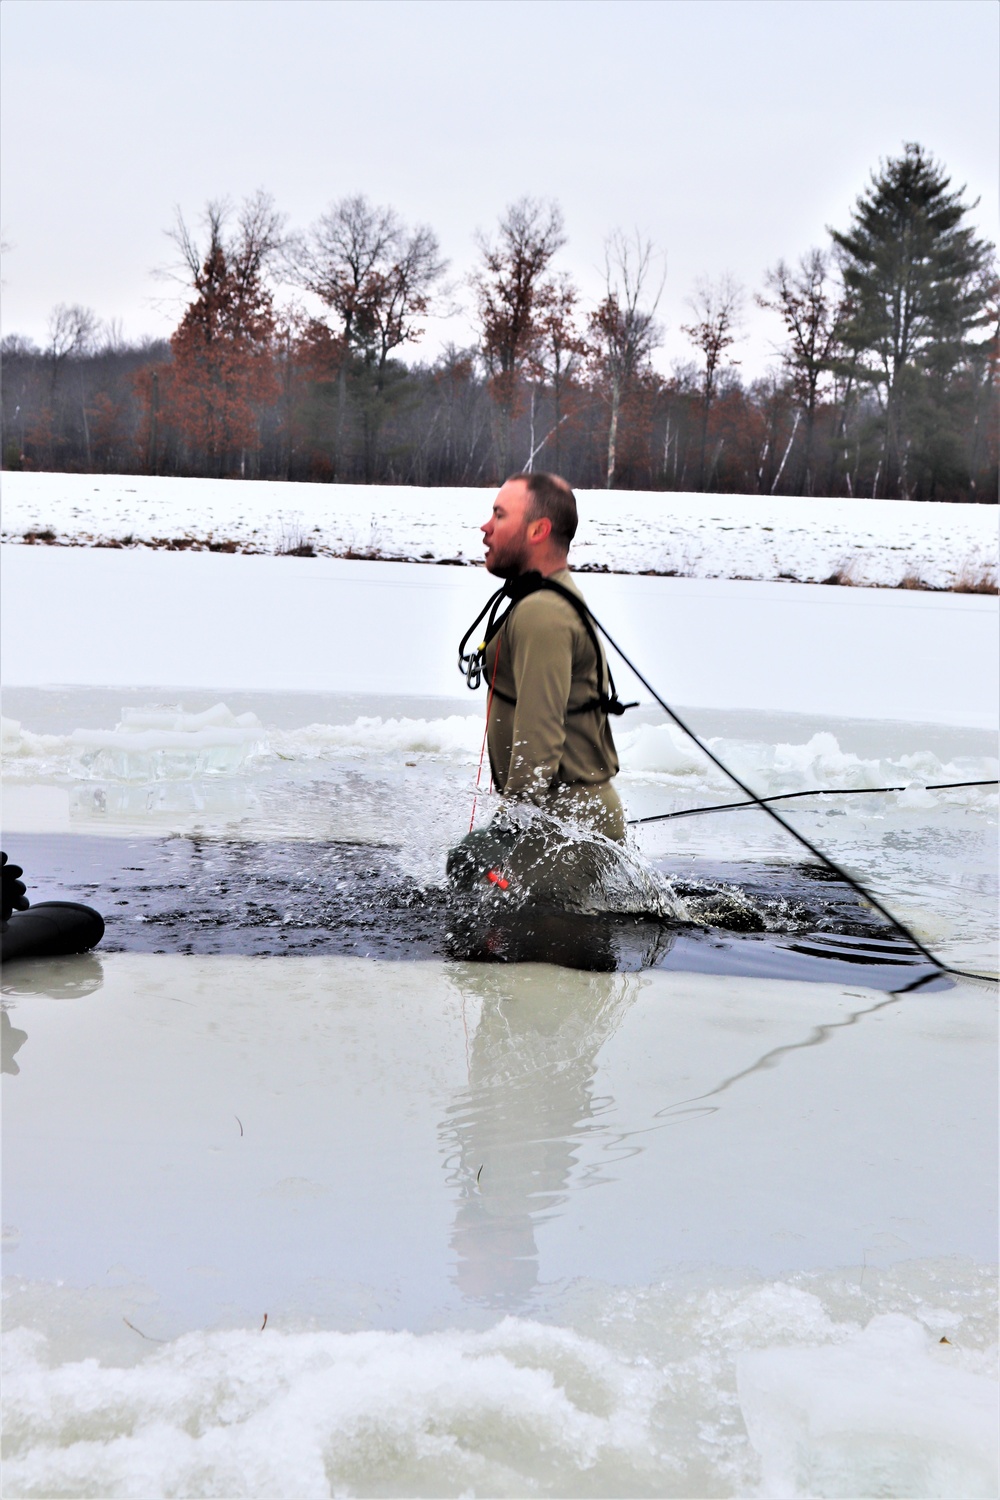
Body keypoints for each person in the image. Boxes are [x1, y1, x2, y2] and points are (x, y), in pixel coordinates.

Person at [479, 472, 627, 843]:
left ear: (537, 530)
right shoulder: (547, 597)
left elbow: (538, 738)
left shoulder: (543, 611)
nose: (485, 527)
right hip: (564, 817)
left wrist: (505, 833)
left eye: (499, 515)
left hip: (562, 821)